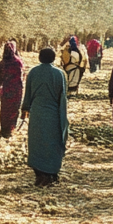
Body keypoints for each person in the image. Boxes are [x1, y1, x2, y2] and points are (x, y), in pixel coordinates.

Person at [21, 47, 69, 186]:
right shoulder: (59, 74)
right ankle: (51, 174)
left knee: (37, 142)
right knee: (52, 142)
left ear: (40, 58)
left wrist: (25, 110)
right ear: (54, 58)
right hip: (53, 113)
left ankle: (40, 174)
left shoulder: (33, 72)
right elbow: (62, 97)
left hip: (36, 113)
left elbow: (28, 94)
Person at [0, 40, 25, 138]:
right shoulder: (18, 62)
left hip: (6, 90)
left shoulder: (3, 63)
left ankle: (4, 130)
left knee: (5, 110)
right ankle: (10, 129)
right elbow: (22, 76)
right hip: (17, 90)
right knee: (14, 109)